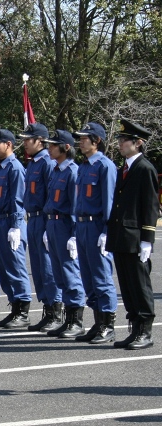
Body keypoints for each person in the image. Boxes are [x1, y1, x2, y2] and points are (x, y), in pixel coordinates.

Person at [107, 119, 158, 350]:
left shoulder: (145, 168)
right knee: (127, 285)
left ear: (138, 143)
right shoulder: (124, 169)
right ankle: (135, 327)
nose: (120, 143)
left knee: (139, 285)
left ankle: (145, 331)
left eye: (124, 140)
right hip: (121, 236)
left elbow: (150, 206)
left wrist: (147, 240)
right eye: (120, 139)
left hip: (136, 237)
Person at [72, 122, 118, 344]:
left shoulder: (105, 166)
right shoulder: (84, 167)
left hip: (97, 226)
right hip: (81, 226)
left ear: (96, 141)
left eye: (84, 138)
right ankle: (98, 322)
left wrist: (107, 231)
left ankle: (108, 325)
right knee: (88, 278)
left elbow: (109, 200)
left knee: (101, 277)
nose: (80, 142)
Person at [42, 130, 87, 338]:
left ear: (66, 148)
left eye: (53, 145)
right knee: (59, 275)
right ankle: (67, 319)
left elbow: (76, 207)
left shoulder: (72, 172)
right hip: (53, 225)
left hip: (65, 226)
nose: (49, 148)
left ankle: (76, 320)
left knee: (70, 273)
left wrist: (75, 235)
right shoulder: (56, 170)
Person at [0, 129, 32, 329]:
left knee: (15, 267)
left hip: (10, 222)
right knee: (3, 268)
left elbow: (17, 199)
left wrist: (15, 225)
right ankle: (14, 306)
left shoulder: (15, 168)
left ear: (9, 144)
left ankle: (22, 310)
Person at [18, 124, 61, 332]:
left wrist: (48, 224)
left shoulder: (46, 163)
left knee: (48, 267)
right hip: (32, 219)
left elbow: (51, 195)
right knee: (37, 267)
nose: (25, 143)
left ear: (40, 141)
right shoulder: (33, 163)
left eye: (29, 139)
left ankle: (56, 310)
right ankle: (47, 308)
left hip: (44, 218)